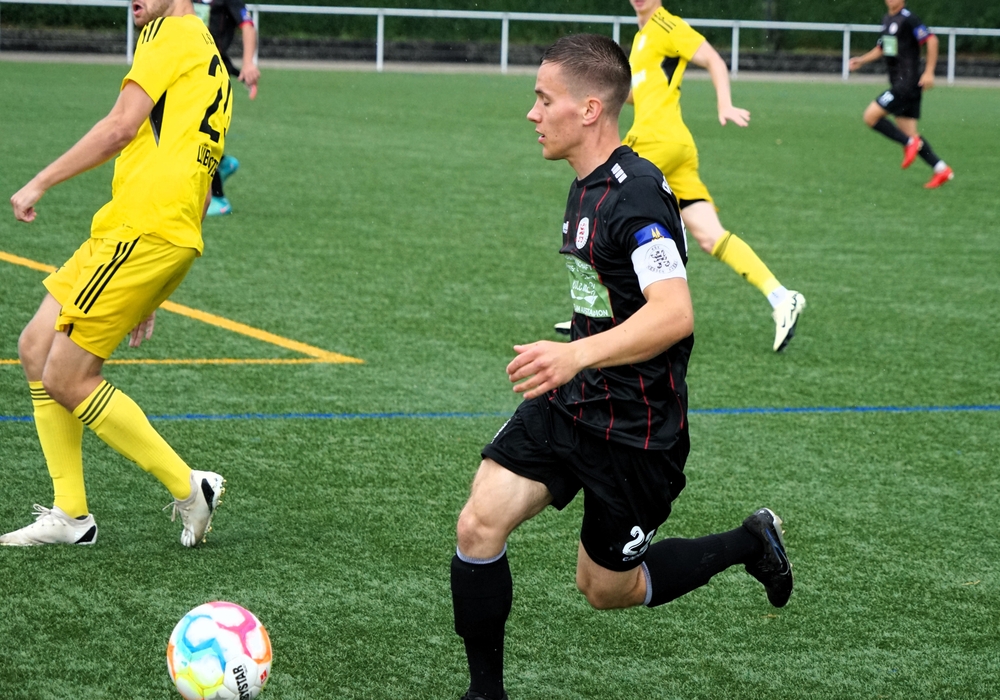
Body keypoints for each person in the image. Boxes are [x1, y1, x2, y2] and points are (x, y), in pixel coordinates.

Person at [450, 34, 794, 700]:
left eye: (543, 99)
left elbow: (674, 313)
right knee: (478, 523)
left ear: (589, 109)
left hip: (636, 429)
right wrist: (576, 350)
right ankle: (485, 694)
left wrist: (576, 352)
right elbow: (612, 297)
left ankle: (750, 543)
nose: (532, 113)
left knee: (606, 589)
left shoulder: (634, 195)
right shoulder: (586, 184)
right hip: (570, 400)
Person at [4, 0, 231, 547]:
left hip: (140, 231)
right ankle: (71, 516)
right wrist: (151, 287)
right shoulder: (211, 58)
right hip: (149, 233)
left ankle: (189, 487)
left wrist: (40, 181)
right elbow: (203, 180)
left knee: (67, 378)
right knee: (36, 346)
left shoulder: (166, 33)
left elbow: (119, 127)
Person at [621, 0, 805, 353]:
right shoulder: (642, 37)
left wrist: (725, 103)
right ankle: (782, 297)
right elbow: (638, 94)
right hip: (676, 147)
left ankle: (602, 312)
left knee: (606, 203)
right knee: (710, 235)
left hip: (655, 142)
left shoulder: (666, 25)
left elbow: (714, 60)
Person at [849, 0, 953, 188]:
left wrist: (929, 72)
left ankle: (909, 143)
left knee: (870, 116)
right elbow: (882, 48)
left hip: (906, 84)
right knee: (910, 134)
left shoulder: (908, 19)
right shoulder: (887, 19)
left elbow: (932, 40)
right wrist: (862, 60)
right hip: (902, 84)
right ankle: (941, 169)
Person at [196, 0, 259, 216]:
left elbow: (247, 25)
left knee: (200, 132)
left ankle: (218, 198)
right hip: (188, 68)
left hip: (212, 73)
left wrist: (248, 63)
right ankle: (222, 164)